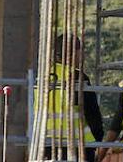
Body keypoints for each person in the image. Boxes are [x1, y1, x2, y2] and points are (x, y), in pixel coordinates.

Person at [44, 34, 104, 162]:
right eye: (79, 52)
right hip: (76, 144)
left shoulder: (42, 76)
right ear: (72, 53)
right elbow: (91, 112)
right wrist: (98, 138)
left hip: (46, 143)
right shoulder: (76, 76)